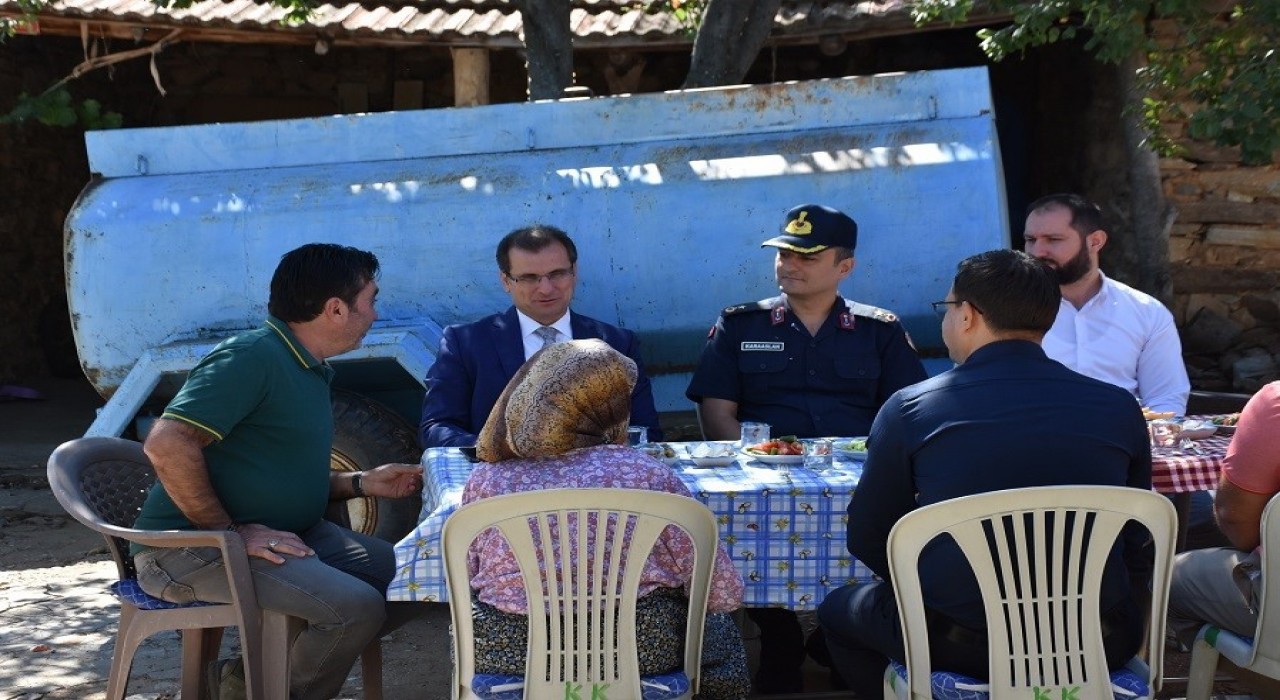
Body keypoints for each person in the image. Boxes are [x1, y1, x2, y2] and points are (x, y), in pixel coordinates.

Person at [817, 249, 1153, 698]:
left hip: (962, 644)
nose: (946, 320)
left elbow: (868, 535)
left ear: (969, 315)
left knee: (838, 612)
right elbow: (1136, 539)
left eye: (947, 308)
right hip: (1099, 638)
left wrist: (937, 592)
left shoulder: (913, 408)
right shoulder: (1118, 407)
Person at [133, 243, 424, 700]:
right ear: (335, 309)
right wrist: (229, 533)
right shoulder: (250, 357)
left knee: (419, 582)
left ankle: (244, 684)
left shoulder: (308, 367)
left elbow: (281, 476)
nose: (374, 313)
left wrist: (362, 482)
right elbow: (166, 444)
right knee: (354, 608)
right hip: (189, 549)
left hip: (289, 533)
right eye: (370, 300)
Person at [685, 203, 927, 692]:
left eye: (807, 256)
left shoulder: (879, 330)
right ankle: (779, 637)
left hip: (858, 478)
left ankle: (840, 635)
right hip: (762, 477)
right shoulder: (741, 325)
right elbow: (716, 413)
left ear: (844, 267)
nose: (789, 265)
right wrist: (760, 459)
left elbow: (906, 411)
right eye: (783, 254)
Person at [462, 339, 751, 699]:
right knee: (721, 631)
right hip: (641, 648)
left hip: (511, 652)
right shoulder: (647, 475)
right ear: (608, 406)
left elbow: (469, 576)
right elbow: (720, 593)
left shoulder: (486, 480)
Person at [420, 224, 661, 448]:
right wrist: (500, 452)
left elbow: (646, 433)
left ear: (574, 272)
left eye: (557, 274)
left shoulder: (617, 343)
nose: (546, 288)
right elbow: (437, 428)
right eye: (529, 278)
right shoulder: (465, 343)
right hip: (505, 486)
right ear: (506, 280)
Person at [1023, 193, 1190, 415]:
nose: (1037, 252)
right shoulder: (1005, 310)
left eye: (1053, 240)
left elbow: (1165, 400)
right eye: (1031, 240)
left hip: (1121, 444)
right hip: (1034, 441)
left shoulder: (1147, 312)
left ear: (1095, 241)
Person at [1167, 382, 1280, 648]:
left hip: (1273, 598)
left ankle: (1265, 681)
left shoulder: (1274, 401)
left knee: (1168, 579)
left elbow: (1237, 520)